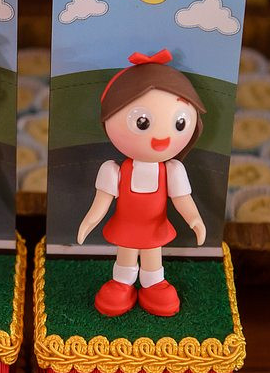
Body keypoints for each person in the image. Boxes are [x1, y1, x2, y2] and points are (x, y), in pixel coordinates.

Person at [77, 50, 206, 317]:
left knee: (152, 255)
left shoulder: (172, 170)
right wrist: (89, 221)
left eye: (179, 123)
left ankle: (153, 283)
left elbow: (183, 200)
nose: (161, 138)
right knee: (126, 252)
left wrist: (195, 219)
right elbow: (101, 202)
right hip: (126, 225)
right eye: (142, 122)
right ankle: (122, 282)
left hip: (155, 226)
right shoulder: (113, 171)